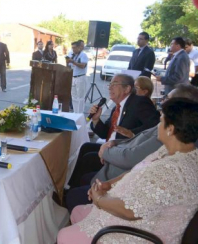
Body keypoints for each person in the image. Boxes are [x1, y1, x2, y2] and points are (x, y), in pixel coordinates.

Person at [58, 98, 198, 244]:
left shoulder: (171, 170)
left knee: (64, 235)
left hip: (141, 232)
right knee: (77, 212)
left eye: (161, 121)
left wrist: (98, 199)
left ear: (171, 129)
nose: (157, 125)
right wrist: (109, 184)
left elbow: (130, 211)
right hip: (138, 213)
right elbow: (139, 169)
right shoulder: (176, 152)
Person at [66, 84, 198, 213]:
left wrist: (106, 152)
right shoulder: (172, 144)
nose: (109, 87)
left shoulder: (168, 145)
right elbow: (135, 143)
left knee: (76, 190)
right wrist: (108, 135)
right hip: (121, 169)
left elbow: (132, 160)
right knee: (87, 153)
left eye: (115, 84)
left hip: (123, 181)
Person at [68, 74, 160, 189]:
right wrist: (96, 120)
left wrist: (132, 133)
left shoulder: (140, 102)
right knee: (86, 147)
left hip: (124, 151)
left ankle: (81, 193)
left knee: (89, 158)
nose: (110, 88)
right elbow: (105, 133)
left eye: (114, 84)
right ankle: (71, 188)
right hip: (111, 146)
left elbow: (155, 126)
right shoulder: (118, 106)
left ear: (127, 89)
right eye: (109, 84)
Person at [66, 41, 88, 113]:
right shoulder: (73, 55)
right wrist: (68, 62)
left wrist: (73, 62)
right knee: (74, 97)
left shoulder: (83, 55)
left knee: (80, 97)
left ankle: (80, 114)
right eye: (72, 48)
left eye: (75, 48)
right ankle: (75, 113)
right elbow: (70, 66)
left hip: (80, 77)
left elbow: (83, 66)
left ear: (79, 47)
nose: (73, 49)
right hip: (73, 77)